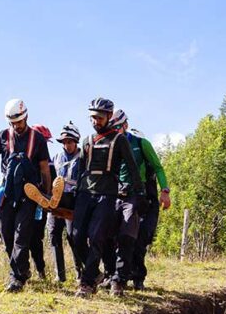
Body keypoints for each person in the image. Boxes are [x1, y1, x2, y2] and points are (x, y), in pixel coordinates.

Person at [0, 99, 52, 292]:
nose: (16, 126)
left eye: (19, 122)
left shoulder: (38, 139)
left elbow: (44, 168)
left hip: (29, 194)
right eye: (12, 122)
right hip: (7, 191)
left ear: (26, 117)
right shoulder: (3, 136)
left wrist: (47, 196)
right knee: (5, 232)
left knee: (21, 234)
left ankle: (17, 278)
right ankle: (23, 270)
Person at [72, 98, 141, 298]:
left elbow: (132, 167)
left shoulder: (119, 140)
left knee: (96, 238)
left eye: (100, 118)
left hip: (107, 195)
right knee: (75, 237)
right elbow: (81, 170)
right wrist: (76, 192)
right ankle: (97, 274)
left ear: (109, 117)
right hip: (85, 193)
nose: (96, 121)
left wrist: (138, 195)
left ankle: (87, 284)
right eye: (93, 117)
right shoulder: (86, 141)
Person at [123, 126, 171, 290]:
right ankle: (121, 274)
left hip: (149, 204)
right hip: (128, 198)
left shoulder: (147, 158)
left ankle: (138, 278)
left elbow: (159, 169)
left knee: (141, 238)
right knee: (123, 238)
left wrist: (165, 192)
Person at [104, 108, 145, 291]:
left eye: (118, 127)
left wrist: (149, 193)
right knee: (105, 236)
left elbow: (152, 169)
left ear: (125, 125)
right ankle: (110, 274)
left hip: (132, 195)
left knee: (127, 236)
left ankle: (121, 279)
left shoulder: (139, 144)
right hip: (111, 194)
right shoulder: (104, 144)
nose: (116, 130)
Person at [49, 122, 82, 283]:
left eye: (70, 141)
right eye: (64, 142)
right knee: (54, 235)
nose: (67, 145)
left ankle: (80, 273)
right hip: (57, 201)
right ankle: (59, 275)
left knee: (73, 236)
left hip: (73, 201)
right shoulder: (56, 158)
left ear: (76, 141)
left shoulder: (83, 158)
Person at [26, 125, 54, 280]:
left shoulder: (48, 162)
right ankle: (22, 270)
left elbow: (53, 181)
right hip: (22, 203)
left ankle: (40, 270)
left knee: (35, 238)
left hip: (39, 205)